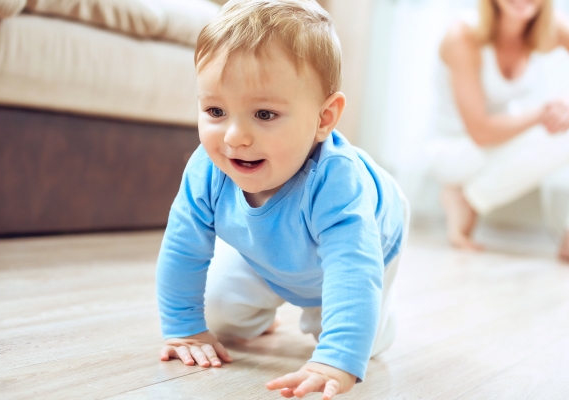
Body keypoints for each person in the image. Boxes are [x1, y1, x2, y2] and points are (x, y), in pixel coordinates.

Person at [155, 1, 409, 398]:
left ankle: (370, 316)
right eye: (216, 110)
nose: (234, 136)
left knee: (361, 343)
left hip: (369, 247)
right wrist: (184, 328)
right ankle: (266, 306)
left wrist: (335, 358)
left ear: (324, 119)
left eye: (265, 114)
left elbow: (353, 270)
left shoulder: (337, 182)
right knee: (220, 314)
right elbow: (182, 249)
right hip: (270, 252)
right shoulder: (207, 169)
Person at [430, 0, 569, 271]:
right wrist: (549, 112)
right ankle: (467, 198)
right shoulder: (462, 36)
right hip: (456, 148)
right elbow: (480, 131)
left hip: (503, 142)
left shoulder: (549, 26)